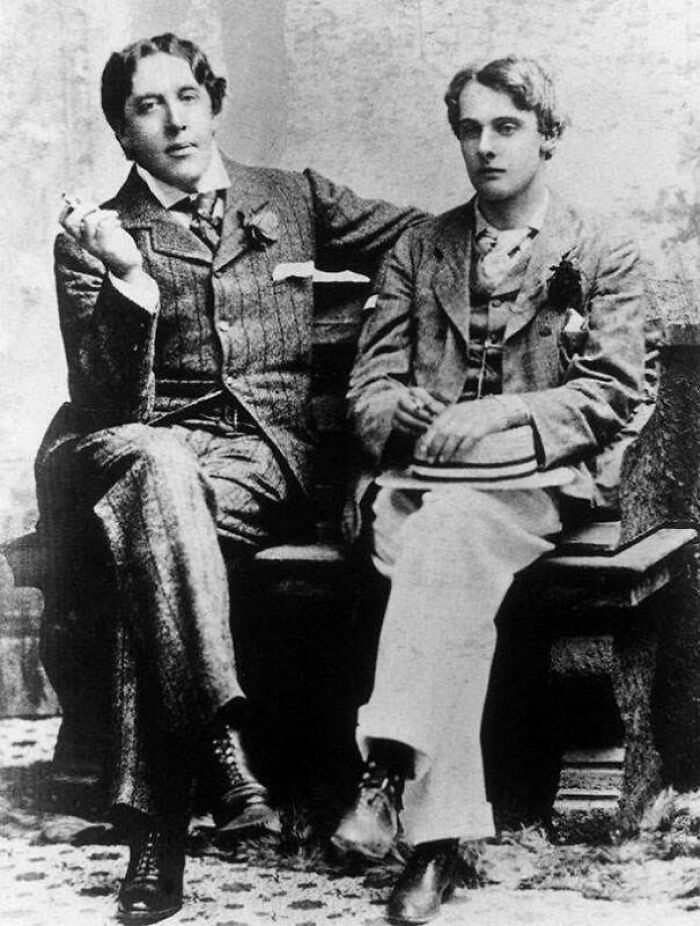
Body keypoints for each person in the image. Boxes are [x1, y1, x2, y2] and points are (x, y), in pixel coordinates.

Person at [36, 32, 424, 923]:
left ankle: (161, 828)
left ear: (213, 101)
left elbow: (427, 243)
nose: (174, 121)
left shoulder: (291, 198)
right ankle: (215, 753)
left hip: (258, 464)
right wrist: (130, 276)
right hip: (117, 450)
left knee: (155, 540)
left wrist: (398, 336)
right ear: (123, 134)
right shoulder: (95, 236)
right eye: (147, 106)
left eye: (187, 97)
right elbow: (100, 400)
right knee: (158, 468)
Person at [331, 55, 646, 924]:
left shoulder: (600, 248)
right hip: (418, 485)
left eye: (506, 127)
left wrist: (505, 413)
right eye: (469, 128)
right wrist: (404, 405)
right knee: (447, 557)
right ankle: (436, 839)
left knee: (451, 538)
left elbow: (614, 393)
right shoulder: (418, 248)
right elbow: (369, 389)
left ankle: (393, 777)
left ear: (547, 136)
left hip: (537, 485)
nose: (484, 145)